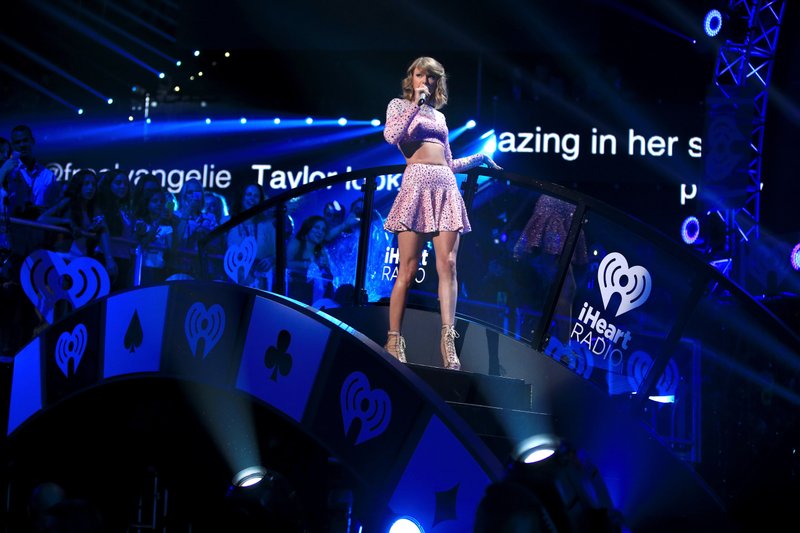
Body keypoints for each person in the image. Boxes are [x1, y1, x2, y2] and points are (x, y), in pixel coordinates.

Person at [382, 56, 501, 370]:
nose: (426, 81)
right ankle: (394, 338)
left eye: (432, 77)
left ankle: (448, 340)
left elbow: (448, 164)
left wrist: (480, 158)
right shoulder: (399, 106)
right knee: (406, 271)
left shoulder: (439, 117)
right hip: (416, 188)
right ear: (412, 78)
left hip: (446, 188)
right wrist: (415, 107)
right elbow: (392, 136)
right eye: (420, 75)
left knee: (448, 265)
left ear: (438, 82)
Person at [513, 194, 588, 342]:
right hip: (557, 200)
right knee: (562, 285)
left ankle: (556, 341)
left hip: (571, 203)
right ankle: (561, 344)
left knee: (564, 287)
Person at [226, 182, 276, 290]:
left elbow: (277, 253)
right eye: (248, 194)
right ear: (241, 197)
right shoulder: (227, 222)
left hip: (261, 282)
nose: (252, 198)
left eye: (256, 196)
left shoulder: (268, 225)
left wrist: (271, 259)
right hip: (232, 281)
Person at [4, 124, 60, 218]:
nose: (22, 145)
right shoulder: (8, 172)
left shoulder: (49, 176)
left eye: (25, 140)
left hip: (41, 229)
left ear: (32, 141)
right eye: (18, 142)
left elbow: (55, 208)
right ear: (13, 145)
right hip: (13, 228)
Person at [286, 214, 333, 305]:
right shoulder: (296, 243)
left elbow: (329, 277)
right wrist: (308, 264)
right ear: (308, 228)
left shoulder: (321, 251)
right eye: (317, 227)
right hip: (292, 296)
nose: (320, 232)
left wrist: (325, 267)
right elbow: (286, 264)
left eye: (323, 230)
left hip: (314, 300)